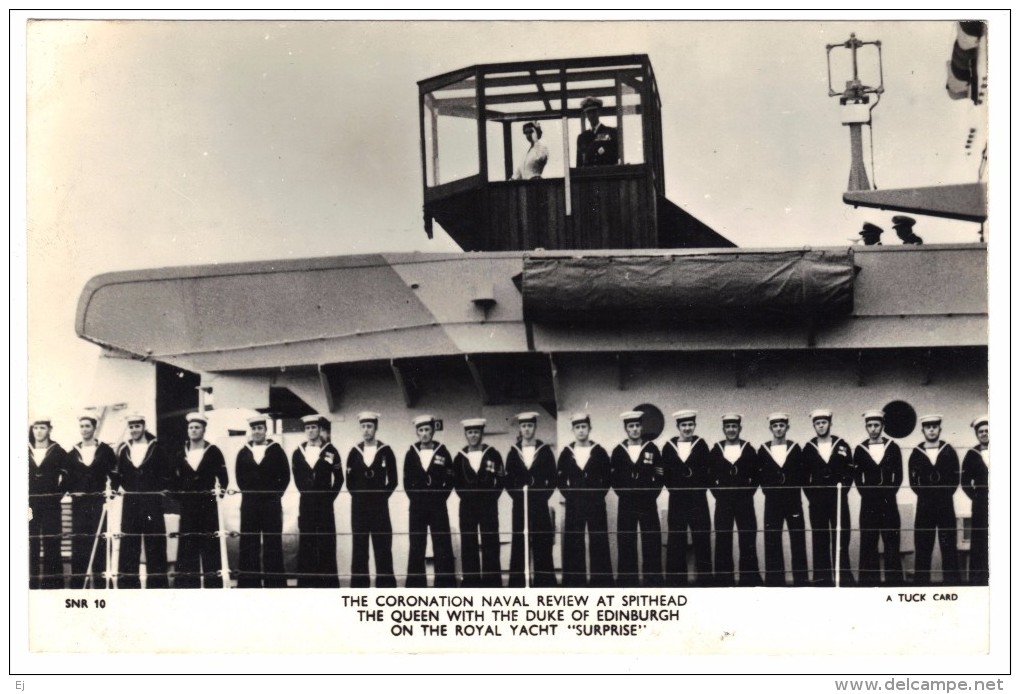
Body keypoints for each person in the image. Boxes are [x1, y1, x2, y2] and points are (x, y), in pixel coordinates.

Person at [172, 412, 229, 588]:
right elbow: (173, 481)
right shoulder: (181, 453)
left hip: (208, 506)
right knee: (188, 545)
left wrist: (215, 497)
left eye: (197, 427)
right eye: (190, 427)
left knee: (210, 545)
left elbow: (223, 478)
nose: (193, 430)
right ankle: (188, 585)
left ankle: (213, 584)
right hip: (188, 506)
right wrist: (181, 497)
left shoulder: (213, 451)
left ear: (204, 430)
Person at [557, 413, 614, 588]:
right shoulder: (567, 453)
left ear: (589, 429)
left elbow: (607, 478)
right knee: (574, 541)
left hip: (596, 503)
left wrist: (597, 495)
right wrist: (571, 495)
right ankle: (575, 583)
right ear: (573, 430)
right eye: (577, 427)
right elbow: (559, 480)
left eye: (584, 427)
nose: (581, 430)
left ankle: (602, 583)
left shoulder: (599, 451)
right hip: (574, 504)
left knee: (599, 540)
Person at [115, 413, 171, 589]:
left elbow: (166, 470)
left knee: (155, 543)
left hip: (151, 501)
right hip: (130, 502)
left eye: (137, 426)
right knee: (129, 543)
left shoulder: (156, 447)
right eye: (131, 427)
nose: (134, 430)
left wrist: (161, 488)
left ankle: (158, 586)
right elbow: (118, 473)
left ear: (144, 427)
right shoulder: (124, 449)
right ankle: (128, 585)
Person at [802, 409, 856, 587]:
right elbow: (803, 476)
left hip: (838, 500)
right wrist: (813, 495)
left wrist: (842, 491)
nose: (821, 426)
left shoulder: (842, 445)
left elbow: (850, 472)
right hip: (817, 502)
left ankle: (844, 580)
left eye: (824, 422)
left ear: (830, 424)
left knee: (841, 539)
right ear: (814, 426)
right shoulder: (809, 448)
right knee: (820, 540)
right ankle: (822, 581)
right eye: (817, 423)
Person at [235, 414, 290, 588]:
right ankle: (249, 584)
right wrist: (250, 494)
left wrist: (275, 495)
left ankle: (275, 584)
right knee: (249, 543)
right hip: (250, 504)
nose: (256, 432)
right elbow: (239, 477)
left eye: (260, 428)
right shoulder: (243, 452)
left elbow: (286, 476)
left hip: (271, 505)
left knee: (272, 542)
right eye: (254, 429)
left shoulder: (276, 450)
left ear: (266, 431)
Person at [610, 410, 664, 587]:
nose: (634, 429)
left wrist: (652, 493)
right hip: (626, 503)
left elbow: (659, 473)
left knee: (651, 540)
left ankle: (653, 580)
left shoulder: (651, 448)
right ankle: (627, 581)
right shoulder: (619, 450)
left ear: (641, 427)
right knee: (626, 540)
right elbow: (614, 478)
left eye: (637, 426)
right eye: (631, 426)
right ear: (626, 429)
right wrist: (624, 493)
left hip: (648, 502)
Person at [64, 413, 119, 589]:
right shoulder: (72, 453)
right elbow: (67, 479)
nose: (84, 429)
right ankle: (79, 585)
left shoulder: (105, 450)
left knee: (100, 542)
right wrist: (73, 492)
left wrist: (111, 493)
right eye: (82, 426)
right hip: (79, 504)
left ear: (94, 428)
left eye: (88, 426)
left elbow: (114, 475)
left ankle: (102, 584)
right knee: (80, 542)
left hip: (98, 503)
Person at [403, 414, 457, 588]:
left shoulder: (443, 451)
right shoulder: (411, 453)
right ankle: (415, 586)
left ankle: (445, 585)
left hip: (437, 506)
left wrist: (440, 497)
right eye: (421, 430)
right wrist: (415, 498)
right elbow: (406, 481)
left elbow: (450, 479)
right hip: (417, 507)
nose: (424, 433)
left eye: (427, 429)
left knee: (442, 544)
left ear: (433, 431)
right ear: (417, 433)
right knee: (417, 545)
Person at [505, 412, 558, 587]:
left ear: (535, 427)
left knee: (542, 542)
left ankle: (545, 584)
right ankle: (518, 585)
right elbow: (508, 480)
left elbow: (552, 478)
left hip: (539, 504)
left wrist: (541, 496)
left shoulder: (544, 451)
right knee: (520, 543)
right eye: (523, 426)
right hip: (520, 505)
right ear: (520, 428)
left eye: (530, 426)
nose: (526, 429)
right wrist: (519, 497)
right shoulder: (513, 452)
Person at [709, 413, 763, 587]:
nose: (731, 430)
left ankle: (749, 580)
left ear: (739, 428)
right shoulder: (716, 449)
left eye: (734, 426)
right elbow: (709, 476)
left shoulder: (748, 449)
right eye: (728, 427)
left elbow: (756, 476)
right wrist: (719, 494)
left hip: (744, 502)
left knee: (747, 539)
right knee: (723, 539)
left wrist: (747, 493)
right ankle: (723, 581)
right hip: (723, 502)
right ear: (723, 429)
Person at [852, 409, 904, 587]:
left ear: (882, 426)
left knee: (891, 543)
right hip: (869, 504)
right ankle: (868, 585)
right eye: (870, 425)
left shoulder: (893, 447)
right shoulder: (860, 449)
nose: (873, 429)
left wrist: (890, 492)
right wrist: (867, 493)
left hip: (889, 503)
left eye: (876, 425)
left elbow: (899, 476)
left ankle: (894, 585)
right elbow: (857, 478)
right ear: (866, 427)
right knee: (868, 543)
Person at [907, 414, 961, 586]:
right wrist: (926, 495)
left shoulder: (948, 450)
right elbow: (913, 481)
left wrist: (943, 494)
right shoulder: (916, 452)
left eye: (934, 426)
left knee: (948, 546)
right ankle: (921, 585)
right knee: (923, 546)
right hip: (925, 506)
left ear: (940, 429)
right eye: (928, 426)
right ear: (922, 430)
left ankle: (952, 585)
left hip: (945, 505)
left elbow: (955, 480)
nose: (931, 429)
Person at [661, 409, 713, 587]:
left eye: (690, 424)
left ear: (695, 426)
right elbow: (665, 474)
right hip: (677, 500)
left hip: (698, 499)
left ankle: (705, 581)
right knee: (676, 540)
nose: (687, 428)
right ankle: (676, 581)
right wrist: (676, 489)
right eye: (684, 425)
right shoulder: (669, 446)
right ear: (678, 427)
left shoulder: (701, 445)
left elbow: (708, 471)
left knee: (702, 538)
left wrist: (697, 489)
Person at [346, 411, 397, 588]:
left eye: (369, 426)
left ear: (376, 428)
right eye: (363, 426)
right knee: (359, 548)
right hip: (359, 508)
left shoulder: (386, 450)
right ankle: (359, 588)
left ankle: (386, 588)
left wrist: (381, 496)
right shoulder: (354, 451)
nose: (366, 430)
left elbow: (394, 480)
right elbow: (349, 481)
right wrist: (360, 497)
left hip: (380, 508)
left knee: (382, 547)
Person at [757, 413, 809, 586]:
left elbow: (802, 473)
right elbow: (761, 475)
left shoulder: (795, 448)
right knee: (772, 540)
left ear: (787, 427)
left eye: (781, 425)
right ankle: (774, 582)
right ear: (770, 428)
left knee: (798, 540)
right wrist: (768, 491)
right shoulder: (763, 449)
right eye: (775, 425)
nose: (778, 428)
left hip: (793, 501)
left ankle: (801, 581)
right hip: (772, 502)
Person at [291, 414, 343, 588]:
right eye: (307, 428)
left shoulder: (331, 450)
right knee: (307, 542)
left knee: (326, 542)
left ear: (320, 429)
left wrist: (329, 497)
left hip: (324, 506)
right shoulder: (298, 452)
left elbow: (339, 478)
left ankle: (328, 585)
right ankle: (307, 585)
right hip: (306, 504)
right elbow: (297, 477)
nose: (310, 431)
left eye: (313, 427)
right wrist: (306, 493)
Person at [452, 418, 505, 587]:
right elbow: (456, 482)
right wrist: (466, 497)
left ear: (481, 433)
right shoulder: (460, 457)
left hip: (488, 506)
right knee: (469, 544)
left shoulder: (493, 454)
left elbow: (501, 478)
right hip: (467, 507)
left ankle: (492, 583)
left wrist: (492, 497)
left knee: (490, 542)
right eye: (470, 432)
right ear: (465, 434)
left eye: (476, 432)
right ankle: (471, 582)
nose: (473, 435)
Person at [28, 416, 67, 589]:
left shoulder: (58, 451)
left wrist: (57, 494)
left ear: (49, 430)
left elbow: (68, 475)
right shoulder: (23, 449)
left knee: (52, 541)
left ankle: (53, 584)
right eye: (36, 428)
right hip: (29, 505)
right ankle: (32, 583)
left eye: (42, 428)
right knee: (31, 542)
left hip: (51, 504)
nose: (38, 431)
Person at [960, 414, 988, 586]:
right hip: (981, 502)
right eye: (981, 431)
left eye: (987, 430)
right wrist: (977, 497)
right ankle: (979, 581)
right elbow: (964, 482)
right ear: (977, 434)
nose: (984, 434)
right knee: (980, 539)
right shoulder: (971, 454)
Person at [576, 96, 619, 167]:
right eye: (588, 113)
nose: (591, 115)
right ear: (586, 115)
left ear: (599, 112)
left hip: (605, 174)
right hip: (588, 176)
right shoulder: (582, 138)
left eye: (594, 112)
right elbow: (579, 164)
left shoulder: (610, 132)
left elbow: (615, 156)